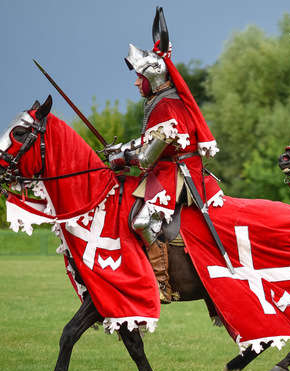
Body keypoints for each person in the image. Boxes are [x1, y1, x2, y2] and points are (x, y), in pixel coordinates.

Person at [105, 7, 220, 302]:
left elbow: (146, 157)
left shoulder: (168, 106)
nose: (135, 83)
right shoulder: (161, 101)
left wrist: (124, 157)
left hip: (177, 174)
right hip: (167, 170)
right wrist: (121, 148)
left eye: (138, 77)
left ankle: (160, 283)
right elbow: (150, 141)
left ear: (152, 77)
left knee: (143, 221)